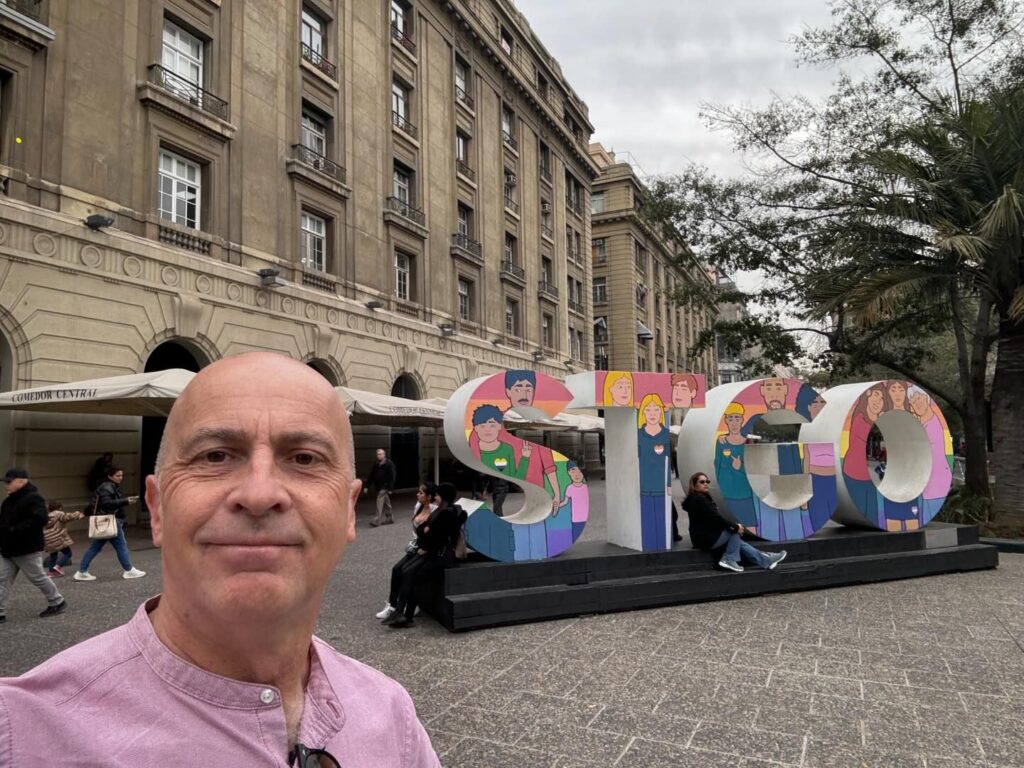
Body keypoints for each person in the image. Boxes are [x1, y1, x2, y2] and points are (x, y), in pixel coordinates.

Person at [0, 352, 440, 765]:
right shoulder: (21, 735)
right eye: (215, 456)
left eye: (305, 458)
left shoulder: (392, 717)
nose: (259, 494)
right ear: (157, 507)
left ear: (348, 509)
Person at [383, 482, 464, 629]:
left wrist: (426, 542)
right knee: (407, 571)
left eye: (438, 495)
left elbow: (439, 535)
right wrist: (426, 533)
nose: (436, 498)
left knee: (411, 573)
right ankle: (402, 613)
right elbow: (423, 530)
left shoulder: (448, 512)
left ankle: (403, 613)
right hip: (432, 552)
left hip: (440, 556)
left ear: (444, 496)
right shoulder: (440, 511)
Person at [681, 472, 787, 573]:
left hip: (704, 537)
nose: (705, 484)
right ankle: (729, 559)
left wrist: (734, 527)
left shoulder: (699, 498)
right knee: (734, 532)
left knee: (740, 542)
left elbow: (713, 519)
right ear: (694, 485)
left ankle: (766, 559)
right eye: (702, 482)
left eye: (707, 481)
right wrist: (735, 527)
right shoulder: (699, 500)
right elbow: (715, 518)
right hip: (705, 539)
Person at [0, 468, 68, 623]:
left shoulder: (33, 498)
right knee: (2, 579)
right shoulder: (10, 500)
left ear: (22, 481)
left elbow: (40, 519)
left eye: (9, 482)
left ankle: (57, 601)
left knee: (37, 577)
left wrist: (14, 529)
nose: (6, 485)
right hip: (8, 547)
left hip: (26, 547)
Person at [375, 482, 437, 622]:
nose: (417, 494)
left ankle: (409, 604)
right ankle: (392, 605)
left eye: (421, 493)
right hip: (416, 546)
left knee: (406, 570)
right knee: (396, 568)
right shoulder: (418, 506)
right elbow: (415, 529)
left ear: (429, 496)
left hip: (426, 549)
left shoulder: (435, 510)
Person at [73, 466, 146, 581]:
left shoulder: (108, 486)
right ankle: (129, 570)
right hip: (111, 521)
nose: (120, 478)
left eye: (122, 475)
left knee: (95, 548)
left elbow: (99, 503)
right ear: (110, 476)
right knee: (121, 546)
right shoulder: (107, 487)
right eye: (118, 475)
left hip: (108, 522)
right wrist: (125, 501)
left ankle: (82, 571)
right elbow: (107, 503)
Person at [43, 502, 84, 577]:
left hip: (49, 540)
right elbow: (67, 517)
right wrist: (78, 514)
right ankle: (58, 566)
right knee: (68, 553)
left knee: (53, 555)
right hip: (59, 538)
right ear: (60, 508)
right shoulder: (58, 513)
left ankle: (51, 572)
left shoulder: (47, 517)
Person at [365, 448, 397, 527]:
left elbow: (392, 476)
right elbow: (371, 476)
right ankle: (390, 518)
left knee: (379, 502)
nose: (378, 456)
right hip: (378, 486)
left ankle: (376, 520)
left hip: (384, 487)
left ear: (384, 455)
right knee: (387, 503)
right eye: (377, 454)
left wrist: (390, 488)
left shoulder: (389, 464)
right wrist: (367, 486)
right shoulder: (376, 464)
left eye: (380, 454)